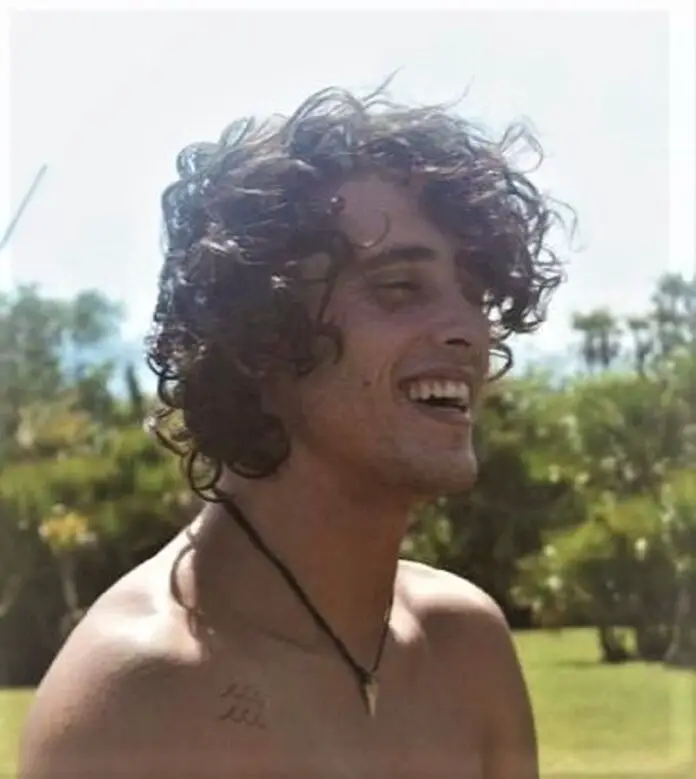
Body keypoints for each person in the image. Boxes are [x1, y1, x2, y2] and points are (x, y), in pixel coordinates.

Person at [19, 83, 568, 779]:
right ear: (261, 337)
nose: (468, 330)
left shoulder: (466, 647)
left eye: (475, 293)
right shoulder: (144, 693)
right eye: (400, 287)